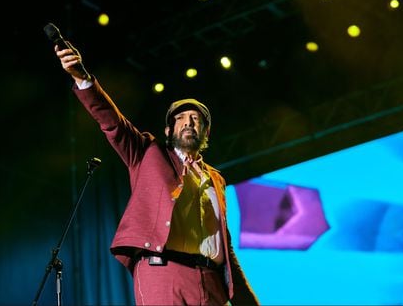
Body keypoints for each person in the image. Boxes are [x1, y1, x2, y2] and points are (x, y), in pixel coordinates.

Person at [54, 41, 259, 306]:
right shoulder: (148, 153)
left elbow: (224, 244)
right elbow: (113, 123)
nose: (188, 122)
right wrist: (83, 78)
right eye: (181, 118)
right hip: (163, 272)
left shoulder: (216, 179)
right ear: (168, 130)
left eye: (196, 119)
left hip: (210, 281)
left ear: (206, 133)